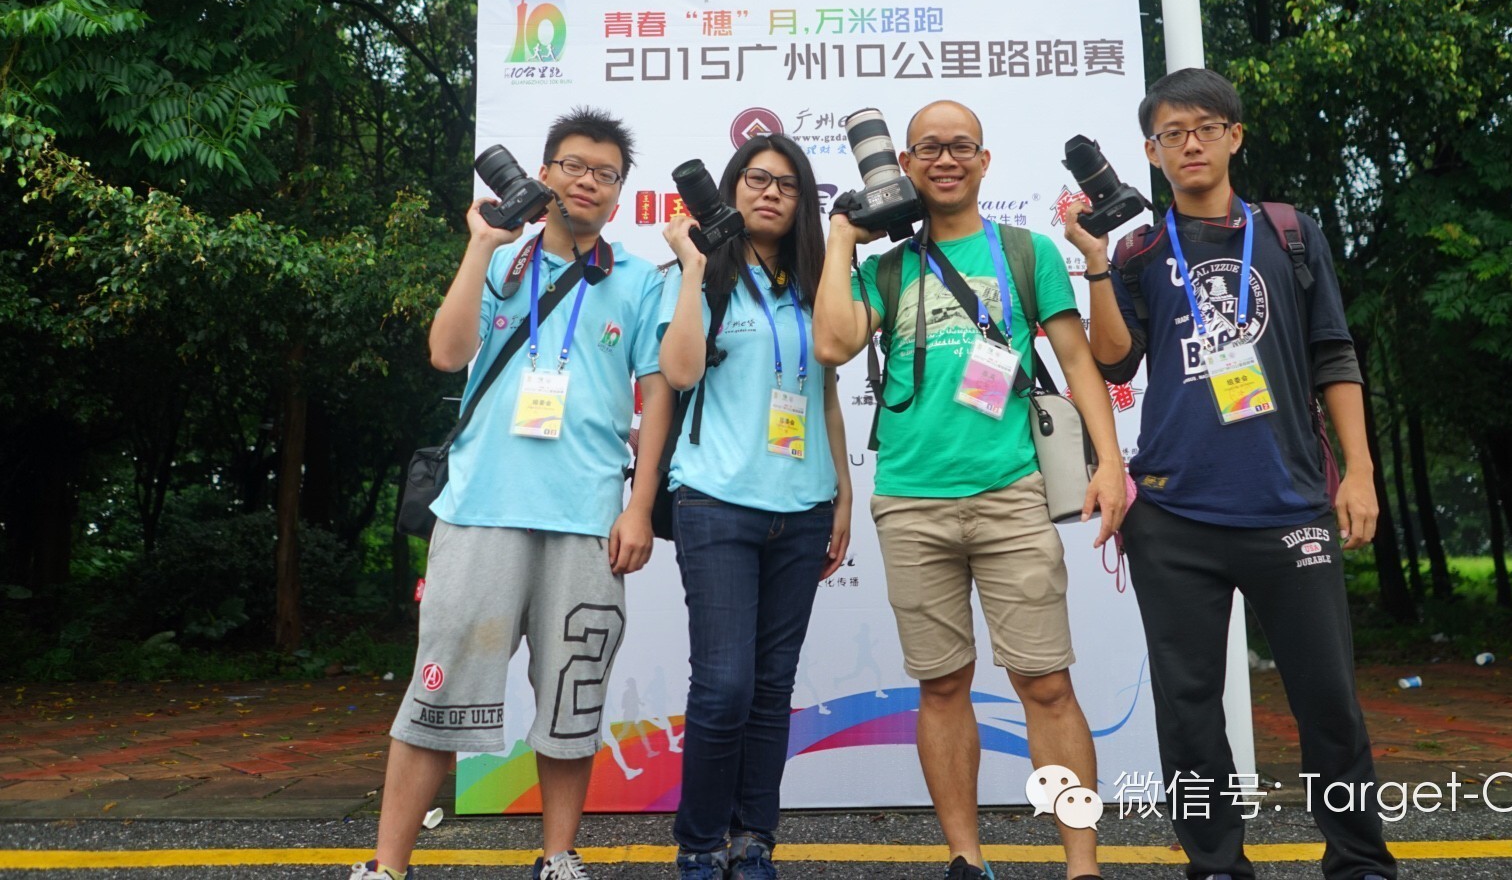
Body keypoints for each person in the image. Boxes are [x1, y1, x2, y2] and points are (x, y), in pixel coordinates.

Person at [1067, 68, 1396, 880]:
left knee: (1327, 701)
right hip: (1174, 515)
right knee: (1188, 712)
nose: (1191, 144)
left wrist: (1359, 473)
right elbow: (1115, 359)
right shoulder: (1141, 250)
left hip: (1291, 506)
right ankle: (1215, 865)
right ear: (1151, 151)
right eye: (1172, 134)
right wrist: (1097, 264)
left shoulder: (1289, 233)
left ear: (1234, 137)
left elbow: (1333, 353)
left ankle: (1359, 861)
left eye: (1205, 128)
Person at [349, 108, 674, 880]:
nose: (588, 182)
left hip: (586, 517)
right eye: (574, 166)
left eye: (605, 173)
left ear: (619, 193)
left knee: (572, 697)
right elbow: (446, 352)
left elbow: (658, 393)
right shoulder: (502, 264)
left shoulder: (636, 281)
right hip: (481, 510)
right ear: (545, 173)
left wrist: (639, 507)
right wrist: (480, 246)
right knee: (436, 693)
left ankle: (558, 857)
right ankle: (387, 867)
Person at [813, 100, 1128, 880]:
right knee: (943, 684)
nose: (945, 159)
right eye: (928, 148)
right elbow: (833, 342)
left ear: (985, 161)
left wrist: (1109, 463)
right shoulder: (886, 269)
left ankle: (1081, 863)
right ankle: (965, 857)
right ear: (904, 167)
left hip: (1011, 492)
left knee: (1045, 684)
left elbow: (1079, 361)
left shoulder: (1026, 252)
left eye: (961, 146)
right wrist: (842, 237)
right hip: (909, 499)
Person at [658, 134, 853, 880]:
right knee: (724, 685)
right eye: (756, 179)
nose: (770, 193)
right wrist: (693, 266)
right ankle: (701, 842)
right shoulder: (704, 276)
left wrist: (841, 492)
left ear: (804, 202)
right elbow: (679, 372)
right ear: (732, 188)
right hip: (715, 502)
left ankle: (754, 839)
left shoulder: (815, 282)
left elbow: (825, 393)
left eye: (787, 184)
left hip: (803, 508)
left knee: (772, 688)